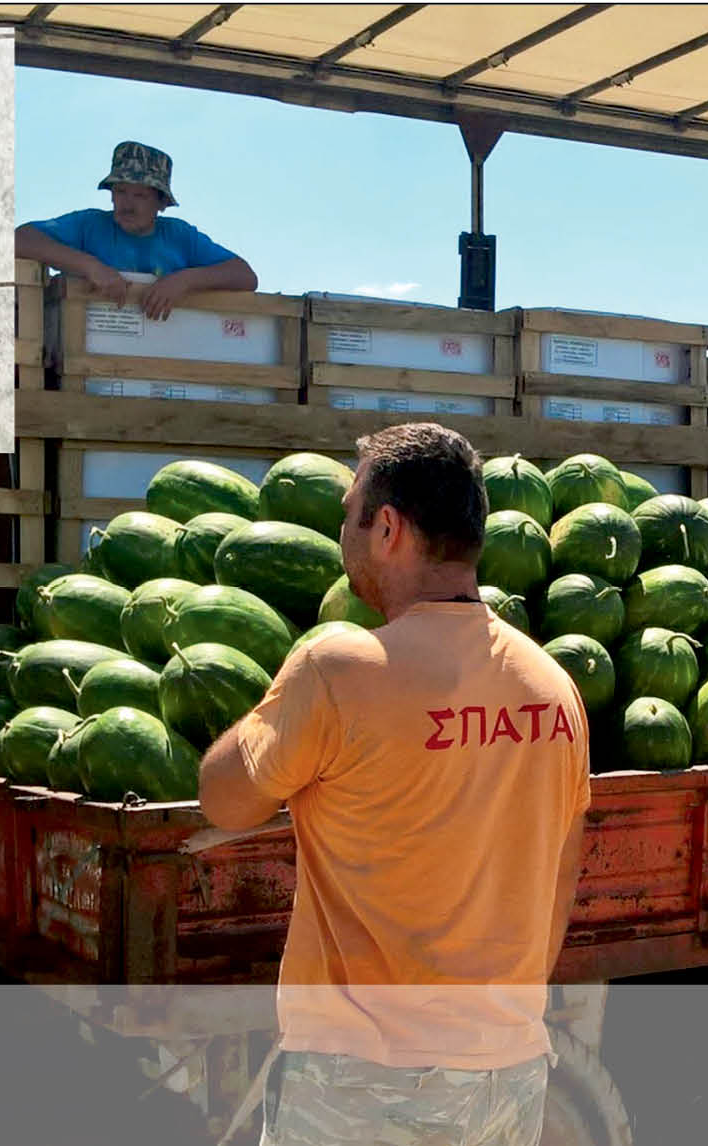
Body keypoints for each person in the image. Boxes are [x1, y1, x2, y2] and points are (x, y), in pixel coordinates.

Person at [198, 424, 590, 1146]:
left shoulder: (336, 670)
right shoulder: (551, 686)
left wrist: (268, 709)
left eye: (348, 516)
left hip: (359, 1079)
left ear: (387, 528)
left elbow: (223, 799)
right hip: (506, 1065)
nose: (341, 536)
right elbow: (561, 875)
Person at [15, 140, 258, 321]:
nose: (127, 204)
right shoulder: (89, 224)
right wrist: (90, 266)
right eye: (120, 192)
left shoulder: (179, 236)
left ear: (162, 203)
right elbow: (20, 239)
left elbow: (245, 276)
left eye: (140, 195)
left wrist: (183, 281)